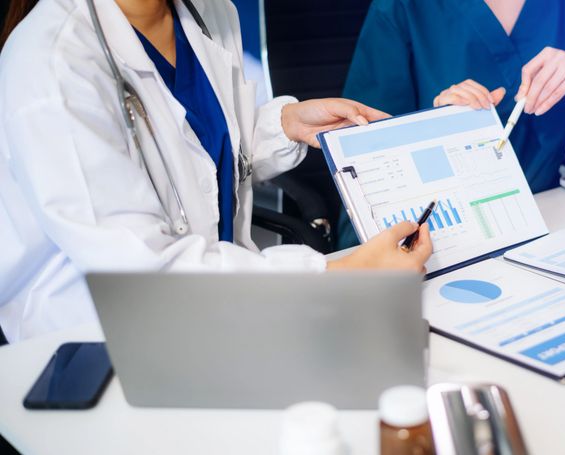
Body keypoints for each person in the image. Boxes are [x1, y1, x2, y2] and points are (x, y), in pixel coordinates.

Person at [0, 0, 432, 343]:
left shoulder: (209, 14)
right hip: (93, 342)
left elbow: (201, 158)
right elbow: (141, 272)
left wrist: (284, 126)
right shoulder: (52, 65)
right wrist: (340, 275)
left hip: (215, 313)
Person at [336, 0, 565, 249]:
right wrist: (437, 127)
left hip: (541, 216)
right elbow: (365, 156)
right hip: (419, 226)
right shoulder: (405, 6)